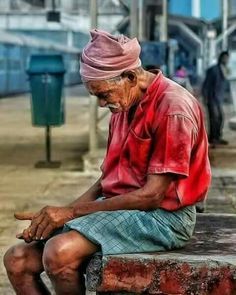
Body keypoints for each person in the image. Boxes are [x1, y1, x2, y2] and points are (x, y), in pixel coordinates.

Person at [4, 29, 211, 295]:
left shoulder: (173, 109)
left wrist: (69, 214)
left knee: (59, 253)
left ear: (130, 77)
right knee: (17, 259)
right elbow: (108, 180)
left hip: (164, 218)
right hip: (122, 208)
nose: (102, 104)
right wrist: (59, 212)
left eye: (103, 95)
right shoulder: (124, 103)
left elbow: (151, 196)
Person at [202, 51, 229, 146]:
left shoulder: (224, 70)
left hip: (218, 99)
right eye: (224, 57)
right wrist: (205, 97)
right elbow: (206, 84)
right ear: (220, 58)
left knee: (220, 118)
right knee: (214, 118)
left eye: (227, 58)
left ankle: (217, 137)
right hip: (212, 98)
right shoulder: (213, 70)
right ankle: (213, 138)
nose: (226, 60)